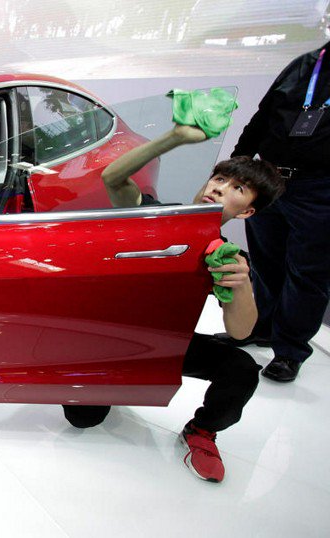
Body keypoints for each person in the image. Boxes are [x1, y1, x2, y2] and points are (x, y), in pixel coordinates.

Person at [94, 120, 284, 483]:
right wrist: (175, 137)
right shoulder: (154, 217)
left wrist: (241, 284)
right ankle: (114, 383)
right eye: (219, 179)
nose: (220, 188)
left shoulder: (228, 258)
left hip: (167, 344)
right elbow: (112, 178)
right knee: (83, 419)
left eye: (238, 188)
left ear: (247, 211)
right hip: (112, 341)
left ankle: (202, 430)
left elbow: (240, 332)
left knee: (242, 369)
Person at [227, 42, 330, 383]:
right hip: (269, 180)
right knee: (265, 261)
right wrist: (239, 163)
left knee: (307, 273)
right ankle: (261, 327)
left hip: (319, 189)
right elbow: (263, 116)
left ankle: (289, 351)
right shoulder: (304, 64)